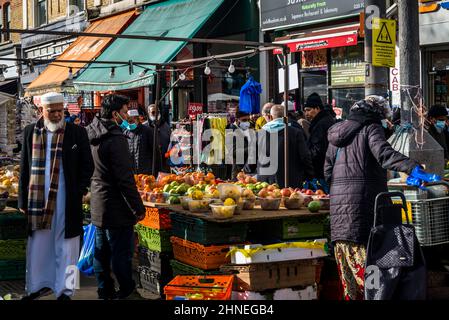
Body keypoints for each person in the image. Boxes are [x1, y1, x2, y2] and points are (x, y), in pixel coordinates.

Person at [324, 96, 427, 300]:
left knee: (351, 287)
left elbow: (328, 172)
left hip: (340, 222)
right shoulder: (371, 128)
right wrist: (412, 167)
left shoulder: (336, 134)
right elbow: (383, 153)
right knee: (376, 285)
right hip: (365, 218)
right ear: (378, 115)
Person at [19, 92, 94, 300]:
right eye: (51, 111)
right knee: (38, 246)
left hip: (67, 199)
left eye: (59, 111)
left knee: (68, 247)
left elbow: (88, 165)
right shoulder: (29, 132)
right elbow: (24, 168)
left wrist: (80, 190)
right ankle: (37, 287)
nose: (56, 115)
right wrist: (22, 199)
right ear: (41, 111)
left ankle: (67, 291)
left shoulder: (76, 133)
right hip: (38, 200)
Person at [85, 94, 146, 300]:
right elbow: (125, 179)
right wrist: (138, 207)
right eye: (125, 111)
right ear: (115, 114)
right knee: (121, 254)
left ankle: (105, 291)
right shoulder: (115, 139)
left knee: (101, 252)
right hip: (117, 206)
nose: (127, 115)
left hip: (99, 202)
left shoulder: (92, 133)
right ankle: (127, 292)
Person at [257, 104, 314, 188]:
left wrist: (247, 170)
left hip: (265, 181)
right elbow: (305, 156)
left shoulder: (259, 134)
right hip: (290, 180)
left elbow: (253, 157)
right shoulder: (295, 132)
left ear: (271, 117)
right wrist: (310, 174)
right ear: (286, 117)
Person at [304, 92, 336, 181]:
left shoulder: (321, 124)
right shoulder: (325, 120)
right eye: (305, 110)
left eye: (308, 110)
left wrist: (306, 158)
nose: (306, 113)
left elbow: (318, 150)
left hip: (320, 170)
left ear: (317, 108)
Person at [124, 109, 161, 175]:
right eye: (127, 122)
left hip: (146, 173)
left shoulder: (147, 131)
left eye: (130, 121)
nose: (129, 124)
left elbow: (156, 152)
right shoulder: (126, 133)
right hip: (131, 173)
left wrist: (158, 171)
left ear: (136, 119)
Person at [226, 111, 256, 180]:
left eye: (248, 120)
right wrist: (251, 149)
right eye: (244, 120)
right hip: (239, 171)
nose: (247, 122)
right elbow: (233, 151)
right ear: (236, 120)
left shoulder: (249, 128)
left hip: (251, 169)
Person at [147, 104, 171, 172]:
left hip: (164, 162)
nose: (156, 114)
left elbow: (170, 143)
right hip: (150, 163)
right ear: (148, 113)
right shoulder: (145, 127)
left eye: (157, 112)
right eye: (153, 112)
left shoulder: (166, 126)